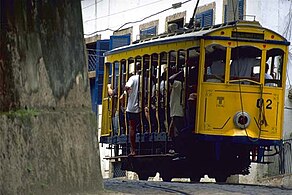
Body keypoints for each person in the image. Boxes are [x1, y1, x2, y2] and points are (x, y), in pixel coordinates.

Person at [124, 69, 141, 156]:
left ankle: (133, 150)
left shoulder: (133, 78)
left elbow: (127, 86)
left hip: (132, 108)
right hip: (143, 107)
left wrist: (128, 92)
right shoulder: (148, 79)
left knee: (132, 128)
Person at [168, 69, 185, 156]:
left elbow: (170, 79)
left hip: (176, 111)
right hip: (177, 110)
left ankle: (177, 149)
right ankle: (177, 148)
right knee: (174, 130)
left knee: (176, 131)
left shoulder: (178, 84)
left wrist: (179, 72)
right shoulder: (181, 84)